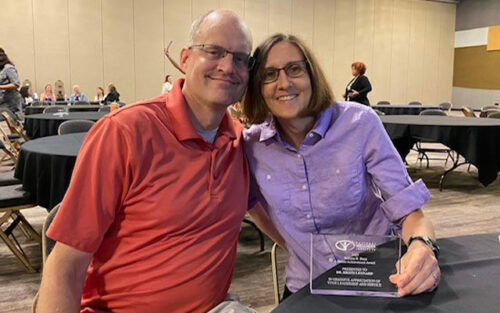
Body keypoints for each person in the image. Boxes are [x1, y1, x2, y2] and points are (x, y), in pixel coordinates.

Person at [37, 9, 257, 313]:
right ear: (185, 58)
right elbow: (66, 264)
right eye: (214, 51)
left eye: (240, 58)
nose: (227, 66)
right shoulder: (124, 133)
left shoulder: (241, 143)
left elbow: (272, 214)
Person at [242, 34, 440, 299]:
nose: (284, 83)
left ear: (312, 74)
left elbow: (411, 213)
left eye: (295, 69)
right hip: (307, 284)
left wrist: (421, 245)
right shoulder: (251, 145)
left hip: (377, 277)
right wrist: (294, 245)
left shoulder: (360, 123)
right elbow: (252, 203)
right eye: (269, 74)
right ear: (258, 86)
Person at [0, 48, 24, 118]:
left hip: (11, 103)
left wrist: (1, 87)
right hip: (2, 102)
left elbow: (16, 84)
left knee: (10, 124)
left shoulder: (8, 68)